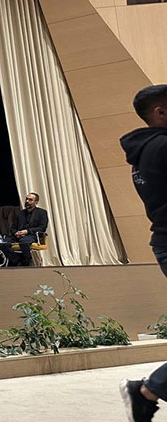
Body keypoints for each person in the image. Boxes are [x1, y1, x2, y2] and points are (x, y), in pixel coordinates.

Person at [120, 84, 167, 420]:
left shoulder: (148, 151)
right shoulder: (162, 147)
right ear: (161, 113)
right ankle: (147, 390)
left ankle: (148, 391)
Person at [1, 193, 49, 267]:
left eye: (30, 200)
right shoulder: (20, 213)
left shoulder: (42, 212)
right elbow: (13, 228)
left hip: (32, 235)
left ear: (36, 202)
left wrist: (27, 231)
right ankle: (17, 261)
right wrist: (16, 233)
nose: (27, 201)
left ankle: (27, 262)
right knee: (3, 243)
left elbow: (42, 227)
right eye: (26, 199)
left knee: (24, 241)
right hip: (18, 236)